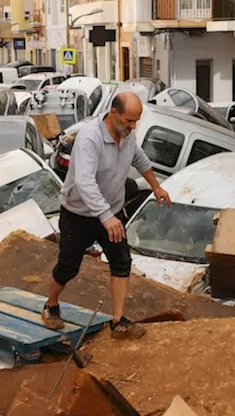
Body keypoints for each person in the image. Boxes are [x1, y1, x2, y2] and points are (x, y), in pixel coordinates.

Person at [41, 91, 171, 340]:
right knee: (68, 267)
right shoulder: (90, 137)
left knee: (121, 261)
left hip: (109, 212)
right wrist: (105, 216)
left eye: (136, 121)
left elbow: (140, 159)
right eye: (129, 121)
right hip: (78, 214)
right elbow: (84, 182)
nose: (133, 127)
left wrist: (156, 187)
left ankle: (118, 321)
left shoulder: (127, 136)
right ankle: (51, 305)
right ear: (113, 114)